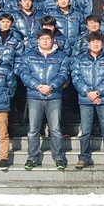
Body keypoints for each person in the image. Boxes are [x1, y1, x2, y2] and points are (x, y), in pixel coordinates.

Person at [17, 30, 69, 171]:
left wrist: (51, 86)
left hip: (54, 96)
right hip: (35, 96)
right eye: (42, 38)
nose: (45, 41)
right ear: (38, 40)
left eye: (48, 38)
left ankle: (58, 157)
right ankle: (32, 157)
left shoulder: (61, 56)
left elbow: (63, 74)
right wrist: (37, 86)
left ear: (53, 40)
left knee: (56, 129)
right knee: (33, 130)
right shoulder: (29, 56)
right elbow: (24, 73)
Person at [71, 34, 104, 171]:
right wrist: (88, 92)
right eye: (93, 42)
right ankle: (83, 157)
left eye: (98, 41)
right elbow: (76, 77)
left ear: (102, 43)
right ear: (88, 44)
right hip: (86, 99)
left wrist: (98, 92)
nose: (96, 44)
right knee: (85, 130)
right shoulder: (79, 59)